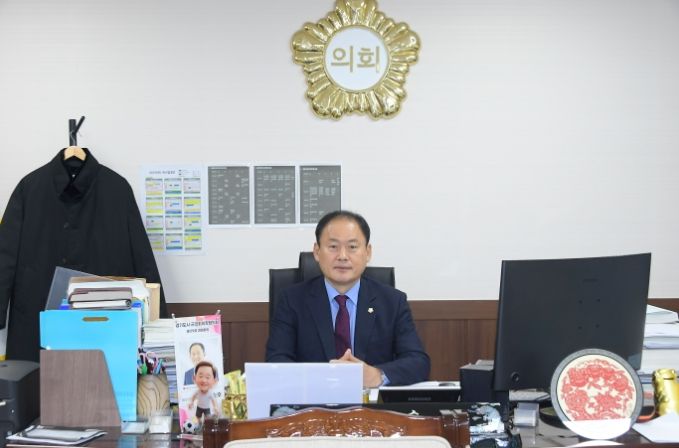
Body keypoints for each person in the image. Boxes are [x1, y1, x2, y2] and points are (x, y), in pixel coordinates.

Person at [266, 210, 430, 387]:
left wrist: (377, 375)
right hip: (314, 401)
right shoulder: (292, 300)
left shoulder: (392, 301)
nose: (342, 256)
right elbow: (276, 361)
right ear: (317, 252)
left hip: (370, 402)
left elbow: (418, 362)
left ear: (367, 252)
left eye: (352, 247)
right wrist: (325, 376)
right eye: (333, 246)